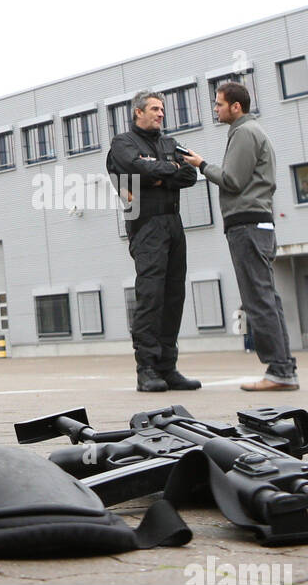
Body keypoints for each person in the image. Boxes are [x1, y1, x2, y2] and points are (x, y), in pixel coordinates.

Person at [181, 81, 298, 391]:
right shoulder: (249, 132)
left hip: (247, 225)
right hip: (256, 225)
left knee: (258, 300)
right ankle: (283, 368)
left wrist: (201, 164)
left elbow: (232, 180)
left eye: (219, 104)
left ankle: (279, 373)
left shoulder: (245, 133)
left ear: (236, 106)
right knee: (266, 298)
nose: (215, 109)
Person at [107, 90, 199, 391]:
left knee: (174, 296)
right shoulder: (123, 143)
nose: (161, 114)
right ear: (138, 112)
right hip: (146, 224)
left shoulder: (169, 143)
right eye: (156, 109)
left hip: (174, 223)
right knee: (151, 295)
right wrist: (165, 170)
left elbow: (189, 175)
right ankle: (146, 369)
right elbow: (133, 168)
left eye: (162, 110)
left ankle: (168, 367)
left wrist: (159, 173)